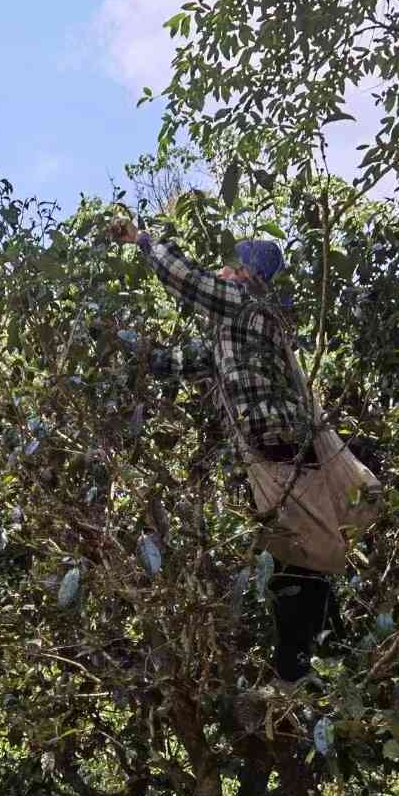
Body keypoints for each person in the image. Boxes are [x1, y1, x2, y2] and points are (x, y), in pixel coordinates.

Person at [108, 218, 345, 683]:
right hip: (279, 446)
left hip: (277, 441)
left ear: (243, 274)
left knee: (290, 553)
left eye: (227, 264)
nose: (219, 270)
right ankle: (328, 650)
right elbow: (179, 362)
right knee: (296, 551)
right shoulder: (233, 328)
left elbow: (187, 280)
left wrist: (142, 240)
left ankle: (301, 665)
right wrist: (124, 348)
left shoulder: (248, 306)